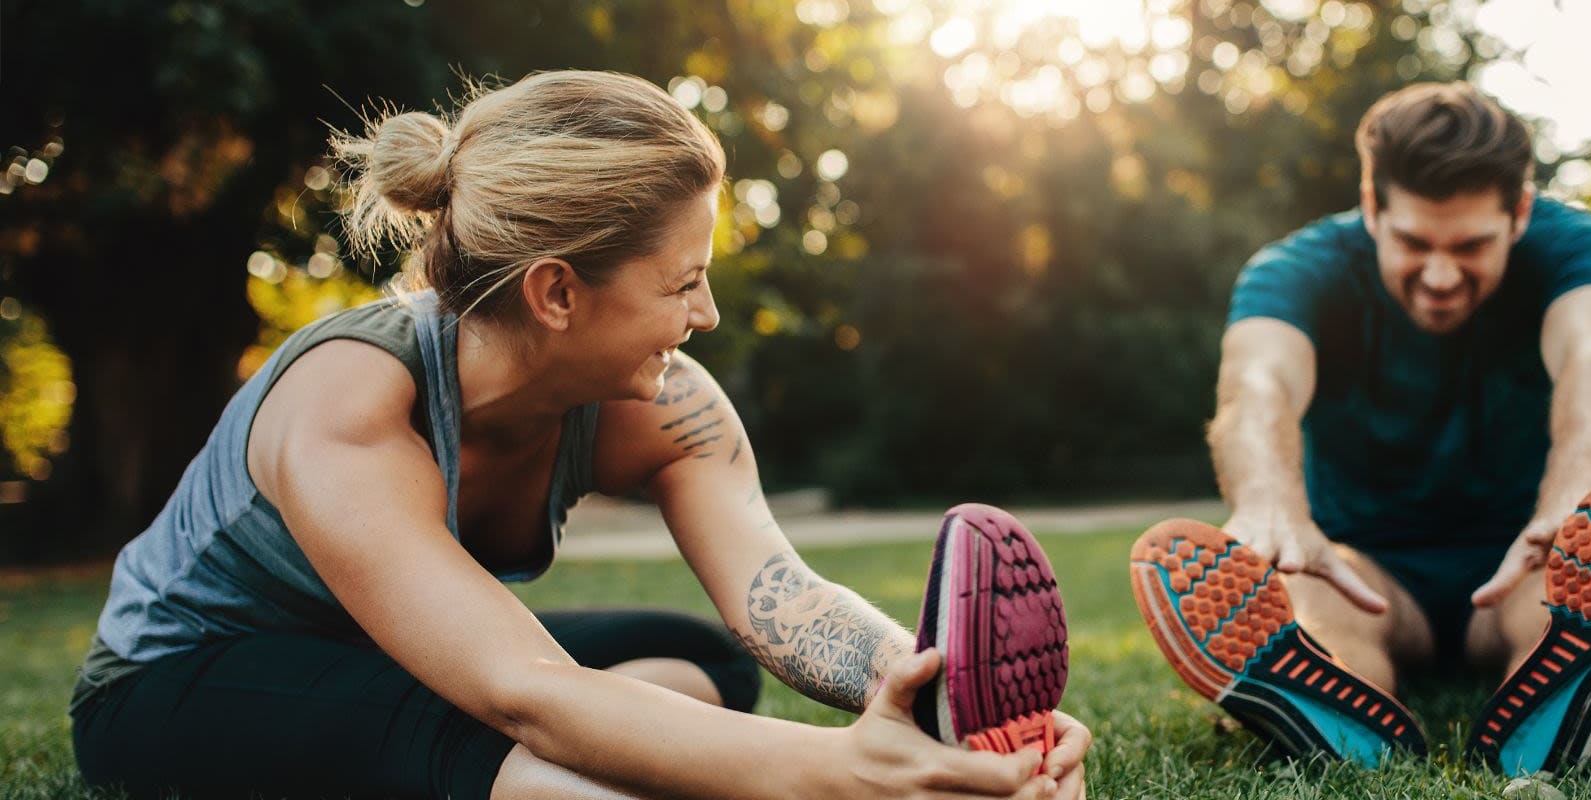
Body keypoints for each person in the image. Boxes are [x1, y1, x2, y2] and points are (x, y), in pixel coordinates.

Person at [69, 69, 1088, 799]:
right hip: (185, 680)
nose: (708, 315)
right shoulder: (350, 403)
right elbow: (526, 687)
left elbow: (778, 600)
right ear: (556, 290)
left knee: (699, 668)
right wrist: (841, 773)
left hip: (412, 666)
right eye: (682, 282)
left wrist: (927, 699)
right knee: (495, 724)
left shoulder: (664, 406)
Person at [1128, 82, 1591, 774]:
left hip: (1520, 559)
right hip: (1366, 572)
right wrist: (1269, 506)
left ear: (1519, 212)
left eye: (1469, 246)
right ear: (1372, 207)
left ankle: (1564, 696)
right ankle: (1342, 710)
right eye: (1412, 242)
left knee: (1561, 599)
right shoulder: (1294, 270)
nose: (1438, 274)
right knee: (1312, 598)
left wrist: (1574, 506)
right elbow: (1258, 384)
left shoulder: (1575, 247)